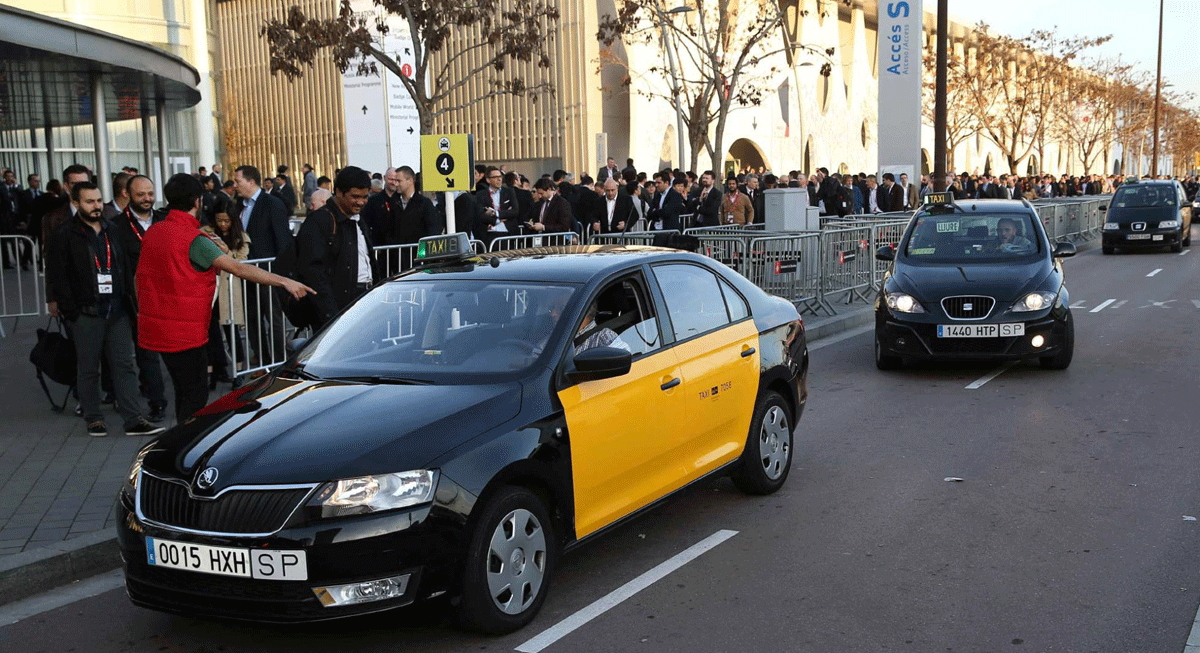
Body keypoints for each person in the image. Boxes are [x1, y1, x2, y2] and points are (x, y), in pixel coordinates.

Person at [138, 173, 313, 424]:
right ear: (198, 201)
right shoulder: (193, 239)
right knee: (193, 397)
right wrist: (284, 281)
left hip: (156, 326)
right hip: (185, 331)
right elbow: (239, 268)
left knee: (181, 388)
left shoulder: (155, 231)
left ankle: (182, 439)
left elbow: (140, 276)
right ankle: (186, 447)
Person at [47, 181, 165, 438]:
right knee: (89, 367)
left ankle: (133, 419)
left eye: (99, 200)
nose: (96, 206)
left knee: (124, 365)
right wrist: (71, 311)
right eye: (90, 201)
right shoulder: (65, 234)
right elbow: (58, 274)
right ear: (76, 203)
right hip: (86, 312)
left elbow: (123, 266)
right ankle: (94, 418)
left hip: (117, 310)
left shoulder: (113, 230)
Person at [112, 175, 168, 421]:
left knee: (174, 351)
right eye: (141, 195)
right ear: (127, 194)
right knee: (145, 353)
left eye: (150, 193)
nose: (147, 199)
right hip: (134, 299)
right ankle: (157, 402)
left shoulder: (165, 221)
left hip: (168, 296)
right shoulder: (116, 226)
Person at [296, 166, 379, 328]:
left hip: (365, 298)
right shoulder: (320, 221)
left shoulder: (358, 218)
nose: (361, 202)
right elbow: (313, 272)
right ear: (339, 192)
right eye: (355, 197)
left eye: (365, 197)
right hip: (337, 308)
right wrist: (330, 314)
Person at [233, 165, 295, 368]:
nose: (235, 185)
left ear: (251, 182)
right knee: (252, 318)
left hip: (268, 270)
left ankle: (278, 361)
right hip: (245, 270)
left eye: (238, 181)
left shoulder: (272, 204)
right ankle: (261, 357)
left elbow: (283, 240)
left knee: (273, 317)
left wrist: (281, 273)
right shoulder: (237, 206)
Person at [201, 211, 249, 384]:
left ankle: (239, 370)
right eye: (219, 220)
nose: (223, 224)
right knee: (210, 331)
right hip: (210, 287)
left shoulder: (240, 237)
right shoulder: (205, 232)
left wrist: (227, 251)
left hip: (229, 287)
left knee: (231, 329)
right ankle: (213, 371)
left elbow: (242, 261)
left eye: (227, 221)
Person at [475, 166, 520, 235]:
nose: (499, 179)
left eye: (500, 176)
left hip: (508, 231)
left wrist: (496, 213)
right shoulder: (481, 194)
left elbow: (515, 211)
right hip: (489, 232)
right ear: (488, 180)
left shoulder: (509, 192)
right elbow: (480, 214)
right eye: (495, 177)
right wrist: (497, 220)